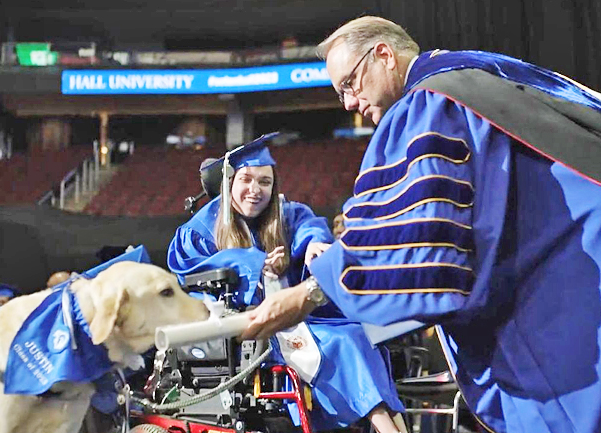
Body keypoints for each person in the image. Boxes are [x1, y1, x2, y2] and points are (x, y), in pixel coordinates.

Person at [240, 16, 601, 433]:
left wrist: (306, 294)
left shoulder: (430, 104)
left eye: (349, 84)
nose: (348, 104)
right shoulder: (486, 76)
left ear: (383, 55)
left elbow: (415, 237)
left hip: (566, 301)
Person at [167, 140, 406, 433]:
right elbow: (189, 271)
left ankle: (386, 421)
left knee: (363, 331)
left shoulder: (281, 212)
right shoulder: (202, 228)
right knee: (345, 341)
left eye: (264, 181)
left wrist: (312, 243)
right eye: (246, 180)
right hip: (248, 329)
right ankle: (385, 424)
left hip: (295, 320)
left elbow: (307, 224)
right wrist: (256, 266)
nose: (255, 190)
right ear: (229, 181)